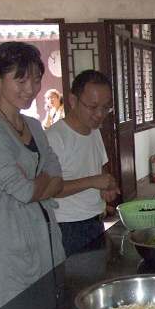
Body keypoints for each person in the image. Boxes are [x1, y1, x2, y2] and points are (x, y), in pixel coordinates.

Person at [0, 41, 66, 309]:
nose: (30, 89)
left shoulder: (33, 125)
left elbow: (57, 178)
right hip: (9, 249)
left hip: (47, 242)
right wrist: (41, 180)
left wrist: (35, 182)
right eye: (20, 81)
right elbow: (23, 191)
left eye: (35, 80)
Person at [46, 70, 119, 257]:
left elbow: (98, 168)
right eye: (93, 107)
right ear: (73, 100)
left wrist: (105, 187)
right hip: (68, 227)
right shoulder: (55, 138)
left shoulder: (93, 130)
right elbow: (48, 188)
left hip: (95, 220)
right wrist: (93, 181)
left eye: (106, 107)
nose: (100, 114)